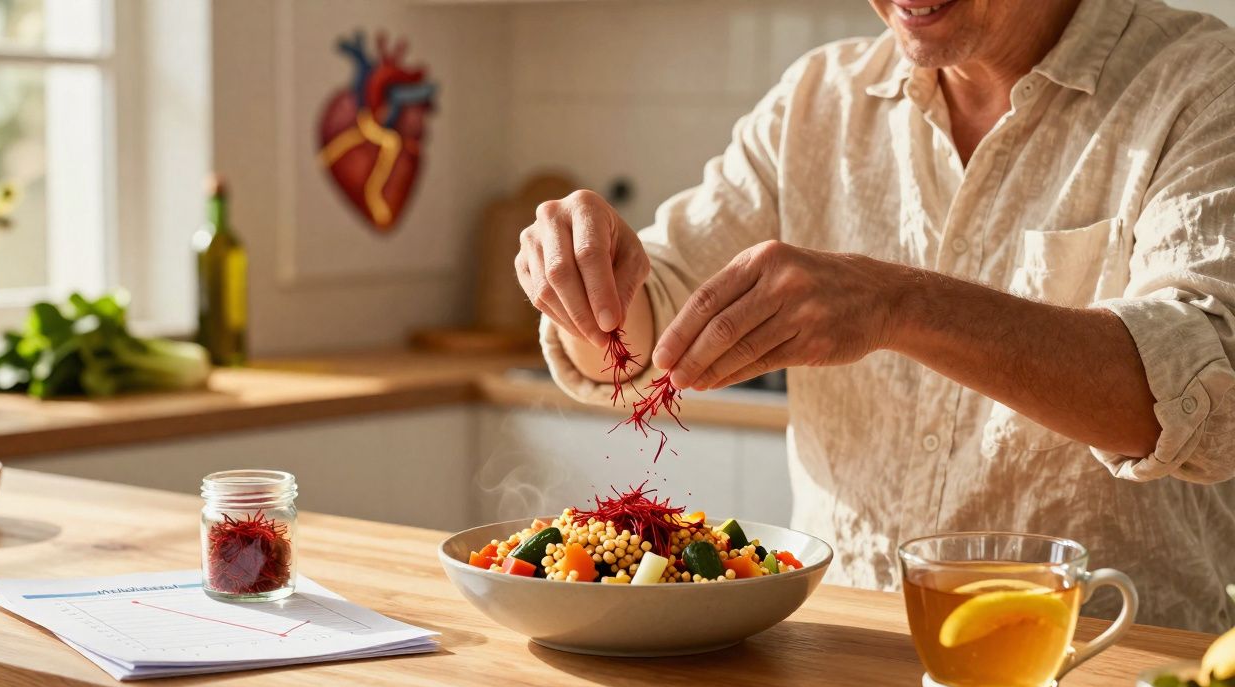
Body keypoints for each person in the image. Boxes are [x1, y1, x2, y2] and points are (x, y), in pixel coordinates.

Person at [516, 0, 1235, 633]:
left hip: (1108, 664)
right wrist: (590, 289)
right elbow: (654, 318)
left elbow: (1205, 397)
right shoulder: (814, 99)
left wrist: (902, 304)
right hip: (838, 659)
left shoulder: (1201, 81)